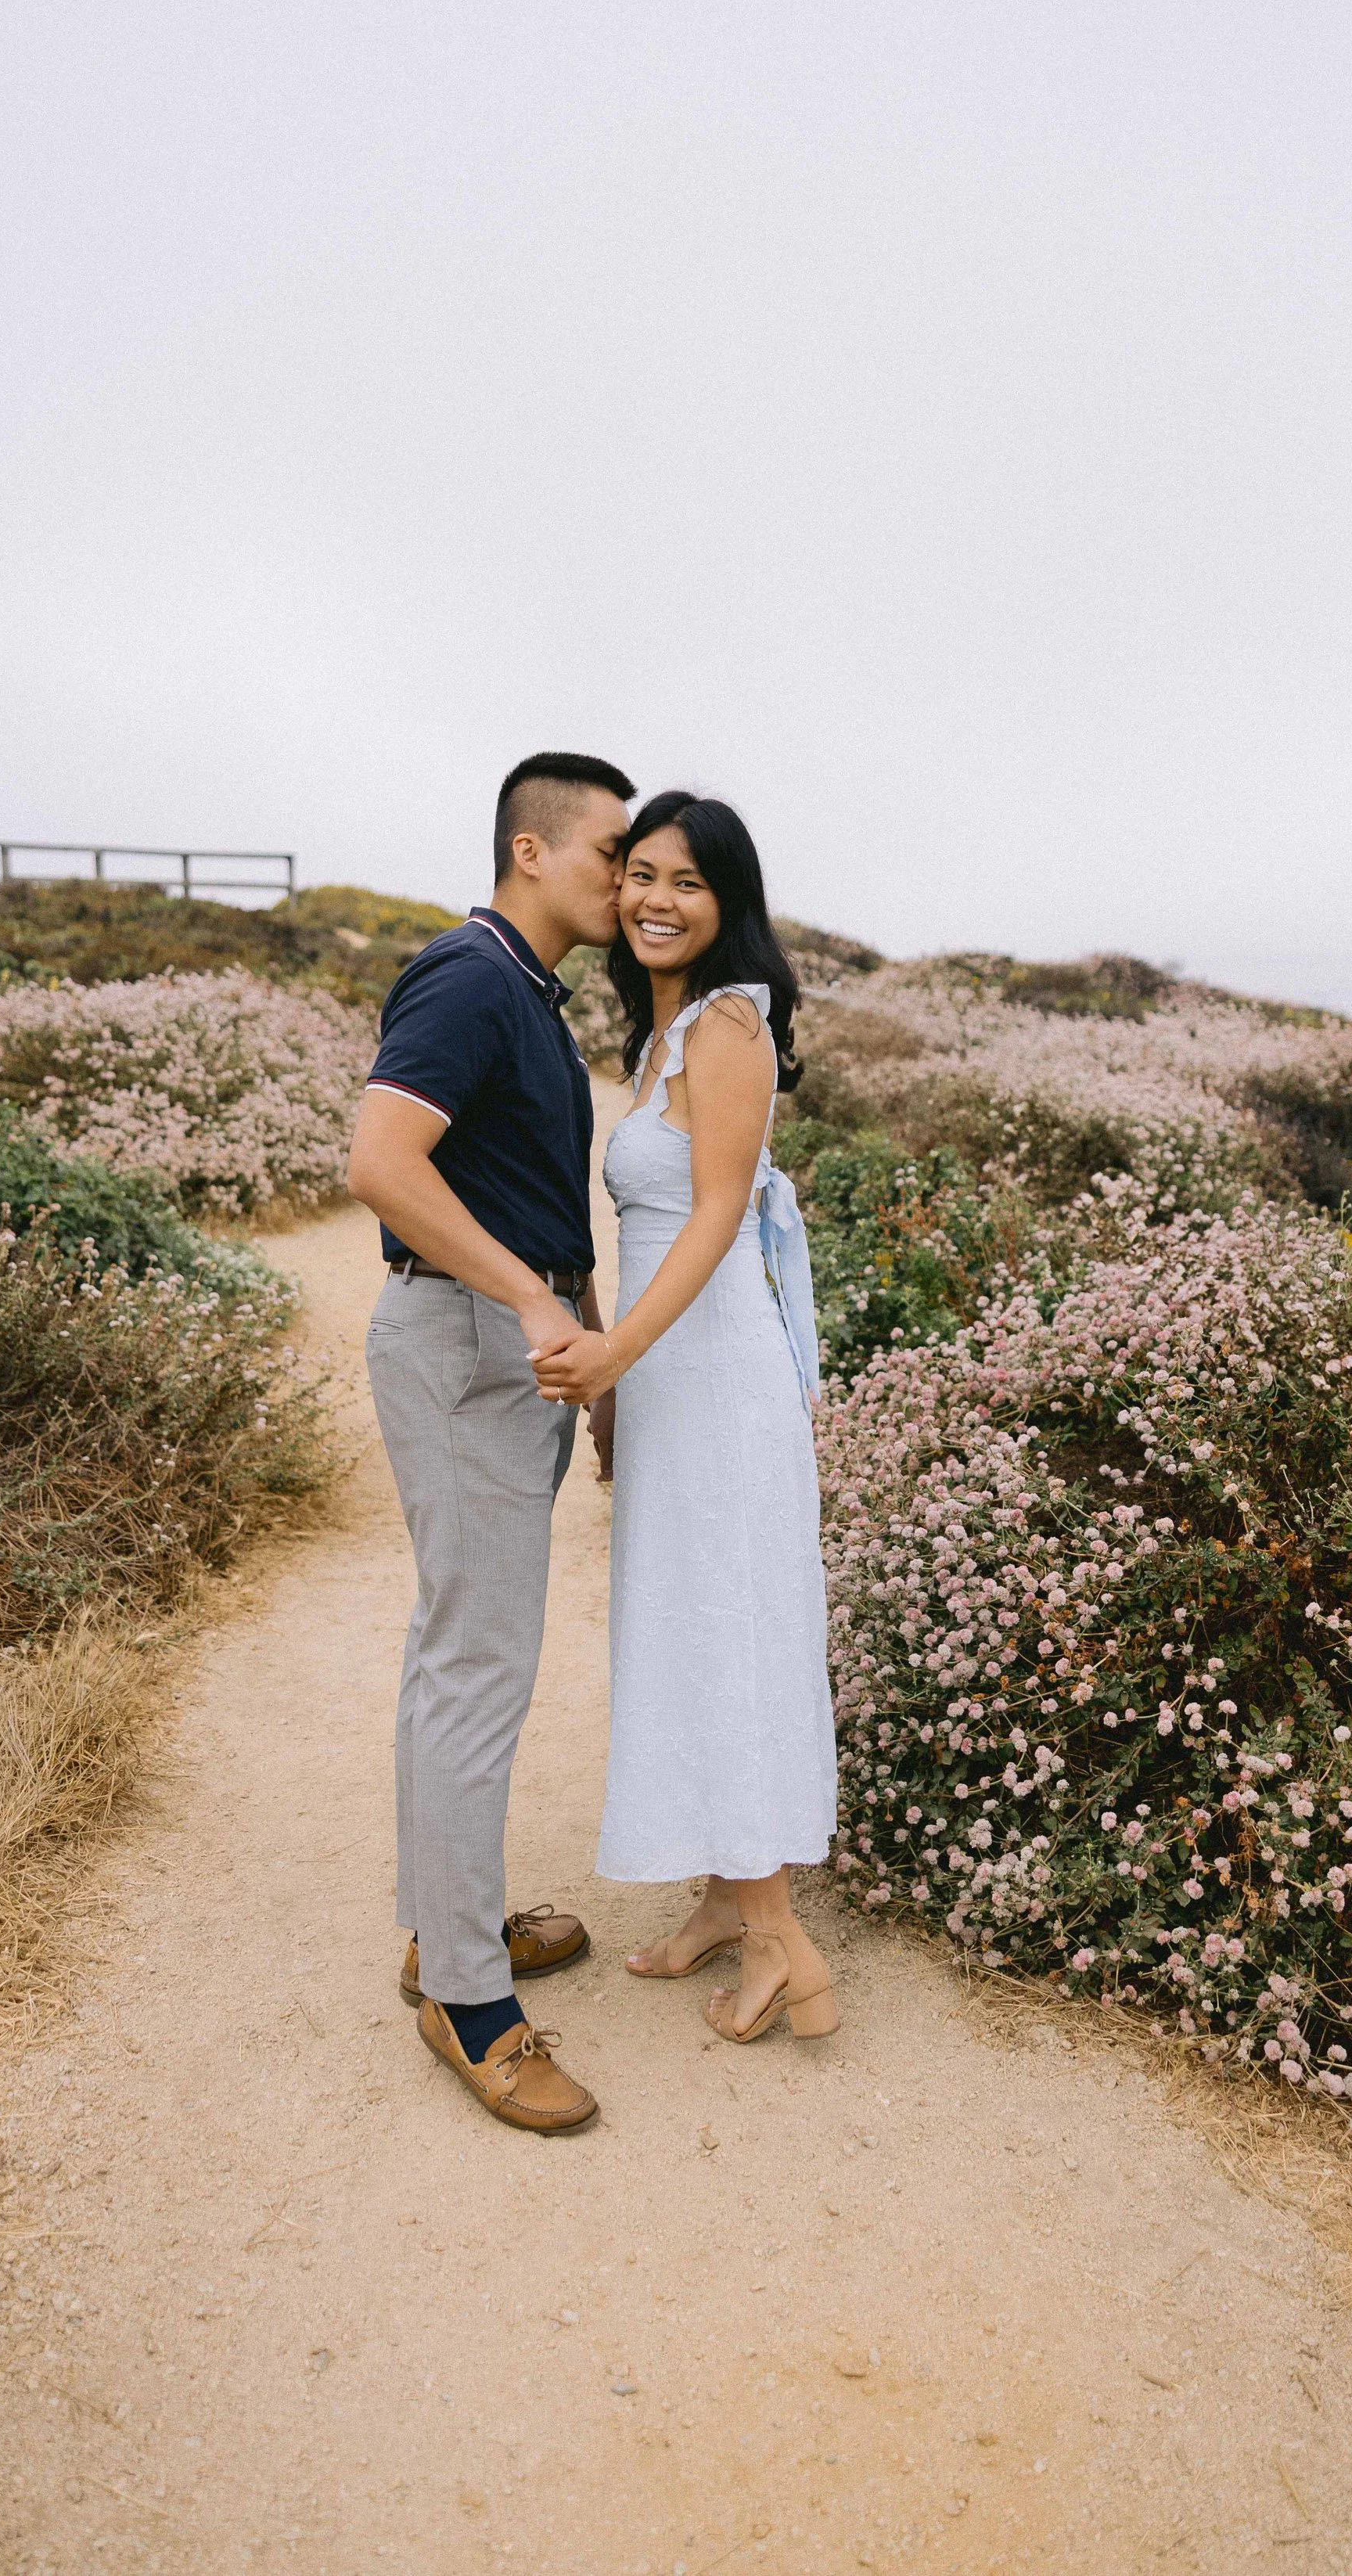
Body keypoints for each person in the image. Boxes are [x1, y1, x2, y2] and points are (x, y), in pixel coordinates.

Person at [346, 750, 634, 2135]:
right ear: (532, 851)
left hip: (493, 1349)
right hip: (465, 1345)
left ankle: (441, 1928)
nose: (630, 879)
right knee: (477, 1669)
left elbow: (530, 1192)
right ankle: (469, 2004)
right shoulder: (469, 978)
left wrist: (591, 1353)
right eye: (610, 854)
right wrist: (529, 1298)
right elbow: (380, 1161)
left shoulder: (524, 993)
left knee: (448, 1655)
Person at [532, 791, 840, 2045]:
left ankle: (783, 1944)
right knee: (683, 1620)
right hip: (678, 1369)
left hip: (708, 1368)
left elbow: (714, 1219)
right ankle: (726, 1894)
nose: (657, 898)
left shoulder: (725, 1028)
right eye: (641, 873)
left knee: (722, 1624)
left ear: (730, 907)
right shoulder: (663, 1034)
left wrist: (613, 1352)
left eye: (689, 884)